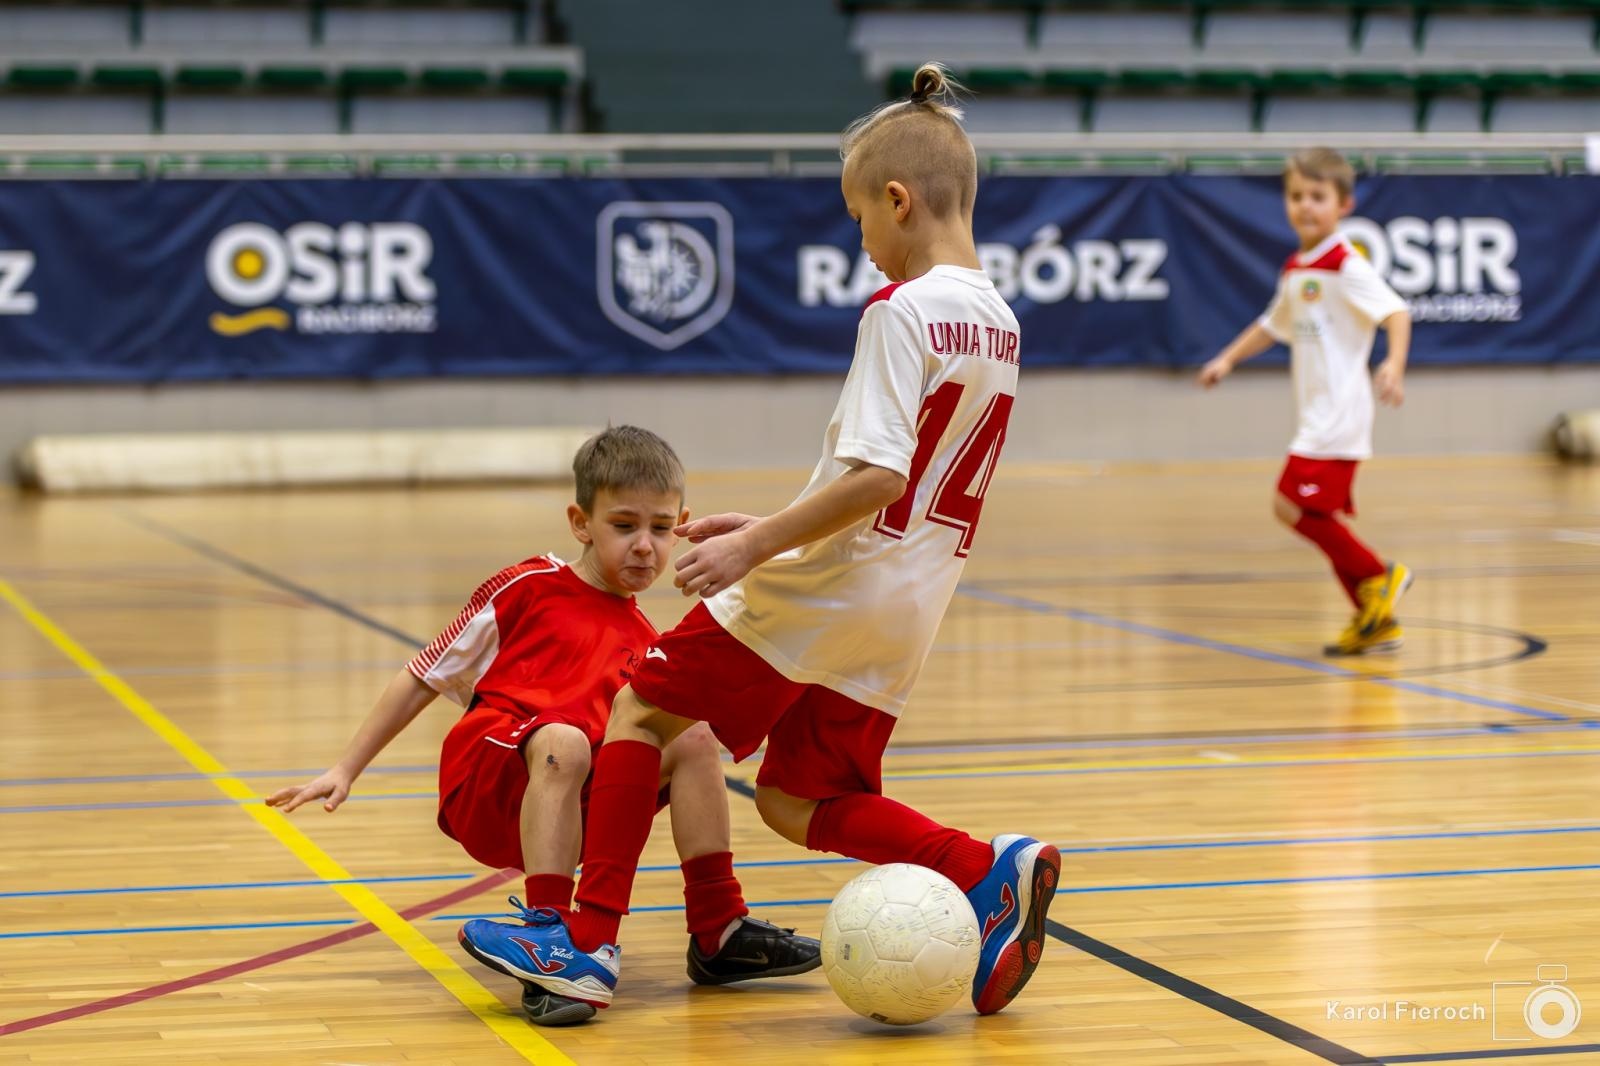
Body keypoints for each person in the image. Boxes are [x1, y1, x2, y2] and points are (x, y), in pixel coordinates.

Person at [462, 63, 1060, 1021]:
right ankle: (984, 868)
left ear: (898, 201)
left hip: (830, 589)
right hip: (906, 607)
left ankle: (585, 943)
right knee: (795, 797)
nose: (861, 243)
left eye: (859, 217)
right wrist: (778, 531)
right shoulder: (1000, 320)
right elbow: (903, 485)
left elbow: (881, 476)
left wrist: (755, 553)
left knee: (640, 713)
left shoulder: (901, 310)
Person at [267, 426, 819, 1025]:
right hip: (490, 775)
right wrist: (346, 767)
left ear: (682, 525)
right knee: (564, 738)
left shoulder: (647, 641)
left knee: (690, 732)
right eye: (624, 526)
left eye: (660, 529)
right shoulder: (527, 587)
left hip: (572, 794)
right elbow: (425, 673)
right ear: (581, 523)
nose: (644, 546)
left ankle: (717, 927)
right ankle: (549, 931)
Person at [1199, 147, 1415, 656]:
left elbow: (1396, 311)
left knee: (1289, 503)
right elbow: (1271, 325)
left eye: (1318, 197)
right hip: (1317, 414)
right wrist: (1227, 359)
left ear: (1344, 205)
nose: (1305, 206)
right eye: (1296, 196)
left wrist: (1393, 363)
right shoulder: (1298, 267)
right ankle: (1375, 619)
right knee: (1314, 514)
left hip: (1339, 414)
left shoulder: (1346, 263)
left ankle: (1379, 575)